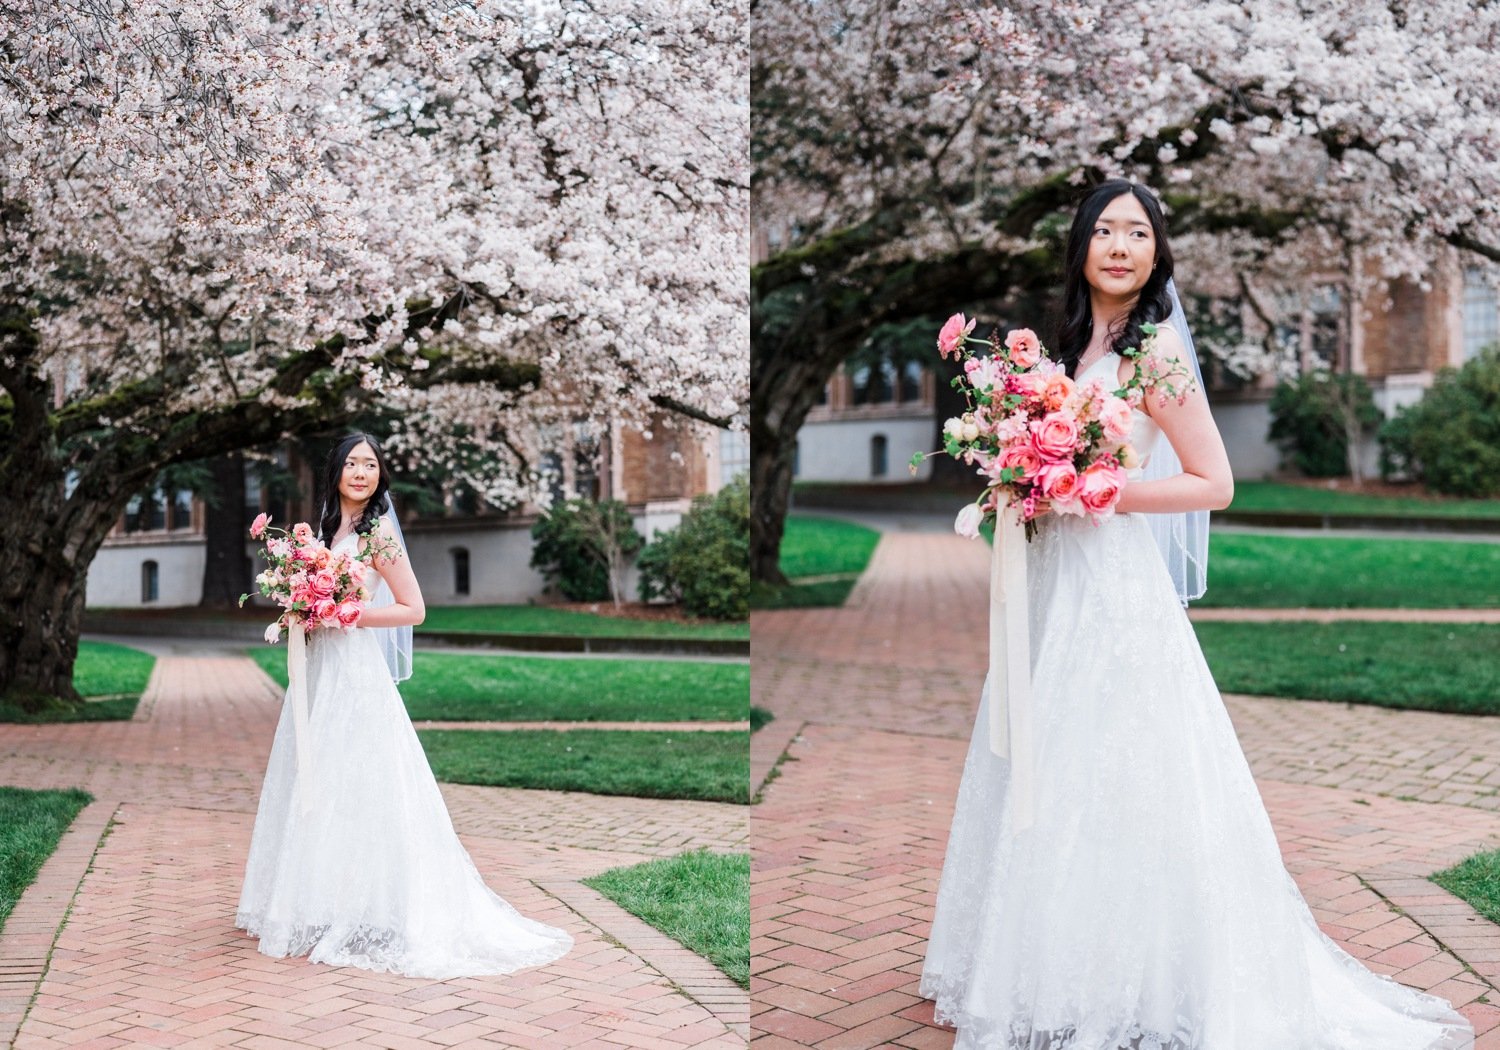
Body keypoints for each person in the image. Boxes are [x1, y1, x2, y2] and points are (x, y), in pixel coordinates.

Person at [918, 182, 1473, 1049]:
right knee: (1050, 759)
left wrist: (1098, 489)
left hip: (1114, 585)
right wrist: (1021, 481)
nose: (1119, 246)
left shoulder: (1155, 354)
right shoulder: (1067, 345)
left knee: (1120, 766)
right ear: (1080, 248)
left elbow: (1214, 482)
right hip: (1056, 582)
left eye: (1138, 232)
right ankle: (1047, 959)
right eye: (1104, 230)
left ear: (1156, 254)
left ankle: (1143, 972)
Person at [236, 433, 573, 978]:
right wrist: (300, 606)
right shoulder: (323, 531)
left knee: (365, 780)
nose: (362, 472)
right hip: (319, 672)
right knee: (317, 780)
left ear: (380, 475)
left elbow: (414, 609)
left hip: (356, 672)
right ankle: (319, 901)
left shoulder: (380, 535)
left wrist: (350, 616)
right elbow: (310, 598)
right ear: (335, 472)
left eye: (371, 464)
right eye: (352, 463)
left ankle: (377, 905)